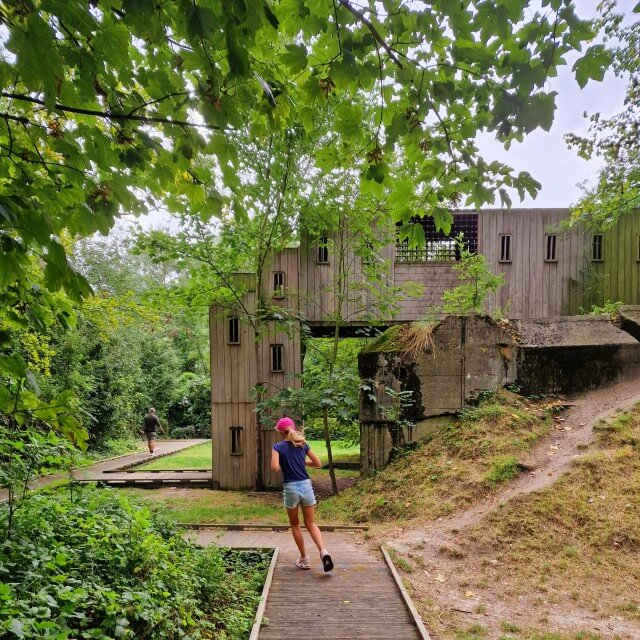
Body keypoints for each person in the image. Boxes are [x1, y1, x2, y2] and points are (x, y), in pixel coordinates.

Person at [270, 416, 334, 572]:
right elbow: (318, 464)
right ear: (293, 428)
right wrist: (301, 461)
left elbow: (275, 468)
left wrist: (285, 462)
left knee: (295, 524)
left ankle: (304, 559)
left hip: (291, 488)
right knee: (311, 523)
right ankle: (323, 551)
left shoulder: (277, 447)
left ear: (280, 431)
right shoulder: (303, 444)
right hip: (306, 486)